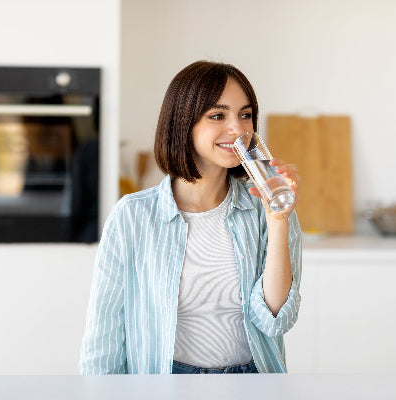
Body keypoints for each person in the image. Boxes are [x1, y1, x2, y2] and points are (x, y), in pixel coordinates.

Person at [79, 60, 302, 374]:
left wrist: (278, 220)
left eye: (245, 114)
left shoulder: (266, 209)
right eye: (217, 115)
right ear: (183, 122)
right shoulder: (133, 216)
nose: (238, 129)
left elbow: (276, 319)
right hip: (165, 381)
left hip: (253, 380)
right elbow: (104, 335)